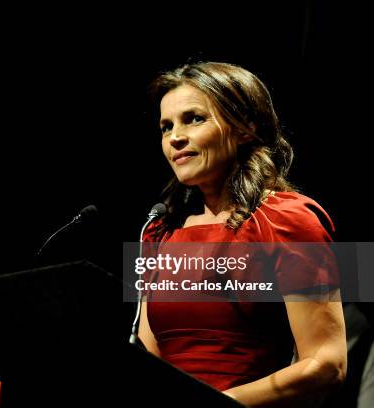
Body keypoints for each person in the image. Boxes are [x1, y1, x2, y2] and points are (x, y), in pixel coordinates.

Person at [137, 62, 347, 406]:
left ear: (246, 127)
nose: (175, 137)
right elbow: (148, 355)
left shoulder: (290, 218)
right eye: (165, 126)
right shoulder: (158, 231)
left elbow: (327, 363)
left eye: (194, 118)